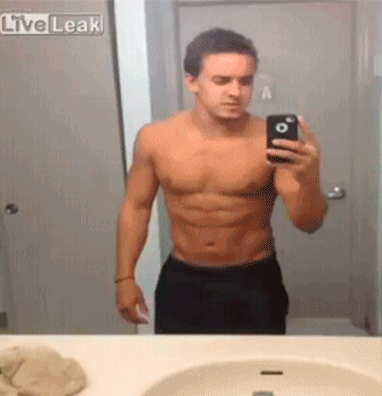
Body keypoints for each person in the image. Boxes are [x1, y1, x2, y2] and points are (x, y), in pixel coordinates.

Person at [116, 27, 329, 334]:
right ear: (192, 81)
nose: (235, 92)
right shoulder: (156, 139)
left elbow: (308, 223)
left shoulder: (268, 141)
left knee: (257, 365)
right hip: (183, 280)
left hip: (254, 280)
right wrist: (125, 277)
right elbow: (136, 206)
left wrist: (309, 178)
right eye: (222, 80)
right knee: (180, 364)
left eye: (245, 81)